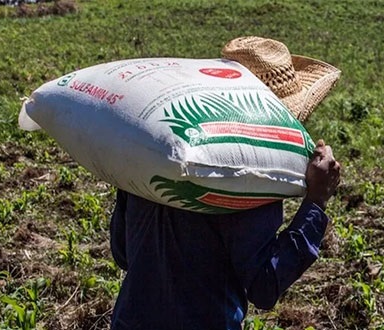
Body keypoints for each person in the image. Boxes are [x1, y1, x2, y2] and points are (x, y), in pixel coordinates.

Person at [109, 36, 342, 330]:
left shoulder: (152, 148)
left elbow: (122, 251)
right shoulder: (251, 174)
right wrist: (316, 201)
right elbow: (265, 285)